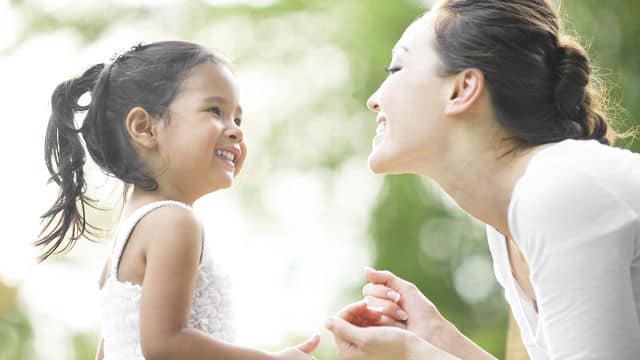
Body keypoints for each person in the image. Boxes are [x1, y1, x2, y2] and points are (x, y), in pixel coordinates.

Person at [325, 0, 640, 359]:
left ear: (462, 89)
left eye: (395, 68)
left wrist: (416, 356)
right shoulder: (507, 227)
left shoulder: (558, 191)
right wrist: (438, 338)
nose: (373, 100)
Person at [36, 41, 319, 360]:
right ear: (144, 128)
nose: (236, 132)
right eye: (215, 111)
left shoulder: (126, 239)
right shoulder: (175, 222)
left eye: (238, 120)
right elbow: (165, 344)